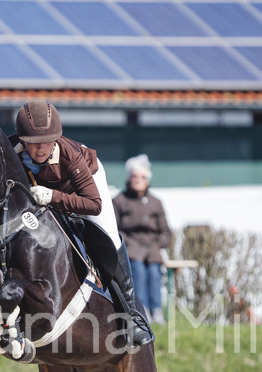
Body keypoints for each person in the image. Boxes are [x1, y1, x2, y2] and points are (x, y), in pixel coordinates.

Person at [11, 99, 153, 347]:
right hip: (45, 194)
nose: (40, 148)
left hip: (86, 186)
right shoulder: (13, 150)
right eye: (33, 143)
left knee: (108, 238)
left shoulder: (71, 155)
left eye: (46, 141)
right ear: (23, 140)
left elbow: (93, 204)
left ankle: (133, 316)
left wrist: (53, 196)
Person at [112, 154, 171, 325]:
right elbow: (114, 228)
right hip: (131, 245)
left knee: (154, 272)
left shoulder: (155, 202)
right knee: (138, 270)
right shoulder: (119, 201)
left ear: (147, 180)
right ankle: (142, 309)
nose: (138, 180)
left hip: (152, 247)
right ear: (129, 178)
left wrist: (159, 244)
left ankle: (157, 309)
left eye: (142, 177)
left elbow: (165, 231)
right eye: (135, 176)